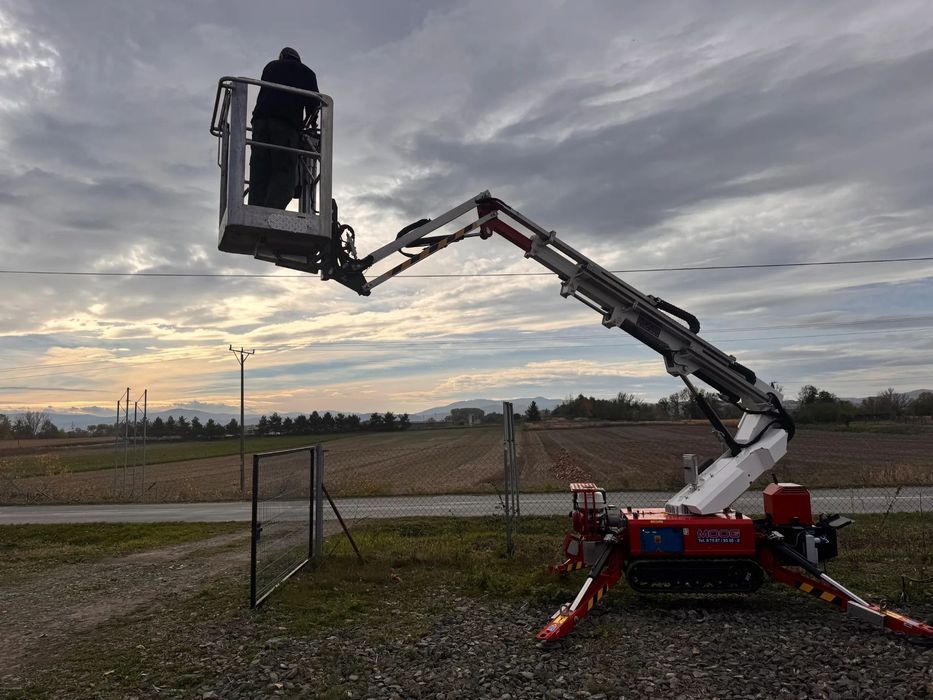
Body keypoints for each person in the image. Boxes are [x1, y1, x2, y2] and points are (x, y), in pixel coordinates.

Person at [248, 47, 320, 209]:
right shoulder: (306, 72)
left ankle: (255, 209)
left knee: (260, 171)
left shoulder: (270, 67)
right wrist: (312, 122)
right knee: (284, 173)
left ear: (282, 57)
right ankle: (271, 213)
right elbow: (314, 103)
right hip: (285, 126)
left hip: (259, 125)